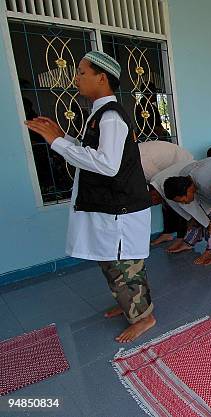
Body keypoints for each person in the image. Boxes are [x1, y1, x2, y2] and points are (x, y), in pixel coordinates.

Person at [25, 51, 155, 343]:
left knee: (123, 265)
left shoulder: (110, 117)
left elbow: (107, 164)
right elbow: (93, 155)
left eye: (82, 72)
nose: (76, 78)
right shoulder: (99, 114)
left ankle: (144, 318)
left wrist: (57, 142)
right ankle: (129, 305)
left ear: (101, 77)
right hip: (112, 208)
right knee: (112, 261)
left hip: (122, 210)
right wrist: (63, 137)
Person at [138, 141, 194, 246]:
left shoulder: (141, 162)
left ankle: (182, 237)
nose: (153, 204)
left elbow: (159, 183)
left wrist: (158, 196)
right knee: (166, 201)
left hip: (182, 163)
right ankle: (167, 233)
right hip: (166, 168)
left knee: (177, 201)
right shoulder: (132, 162)